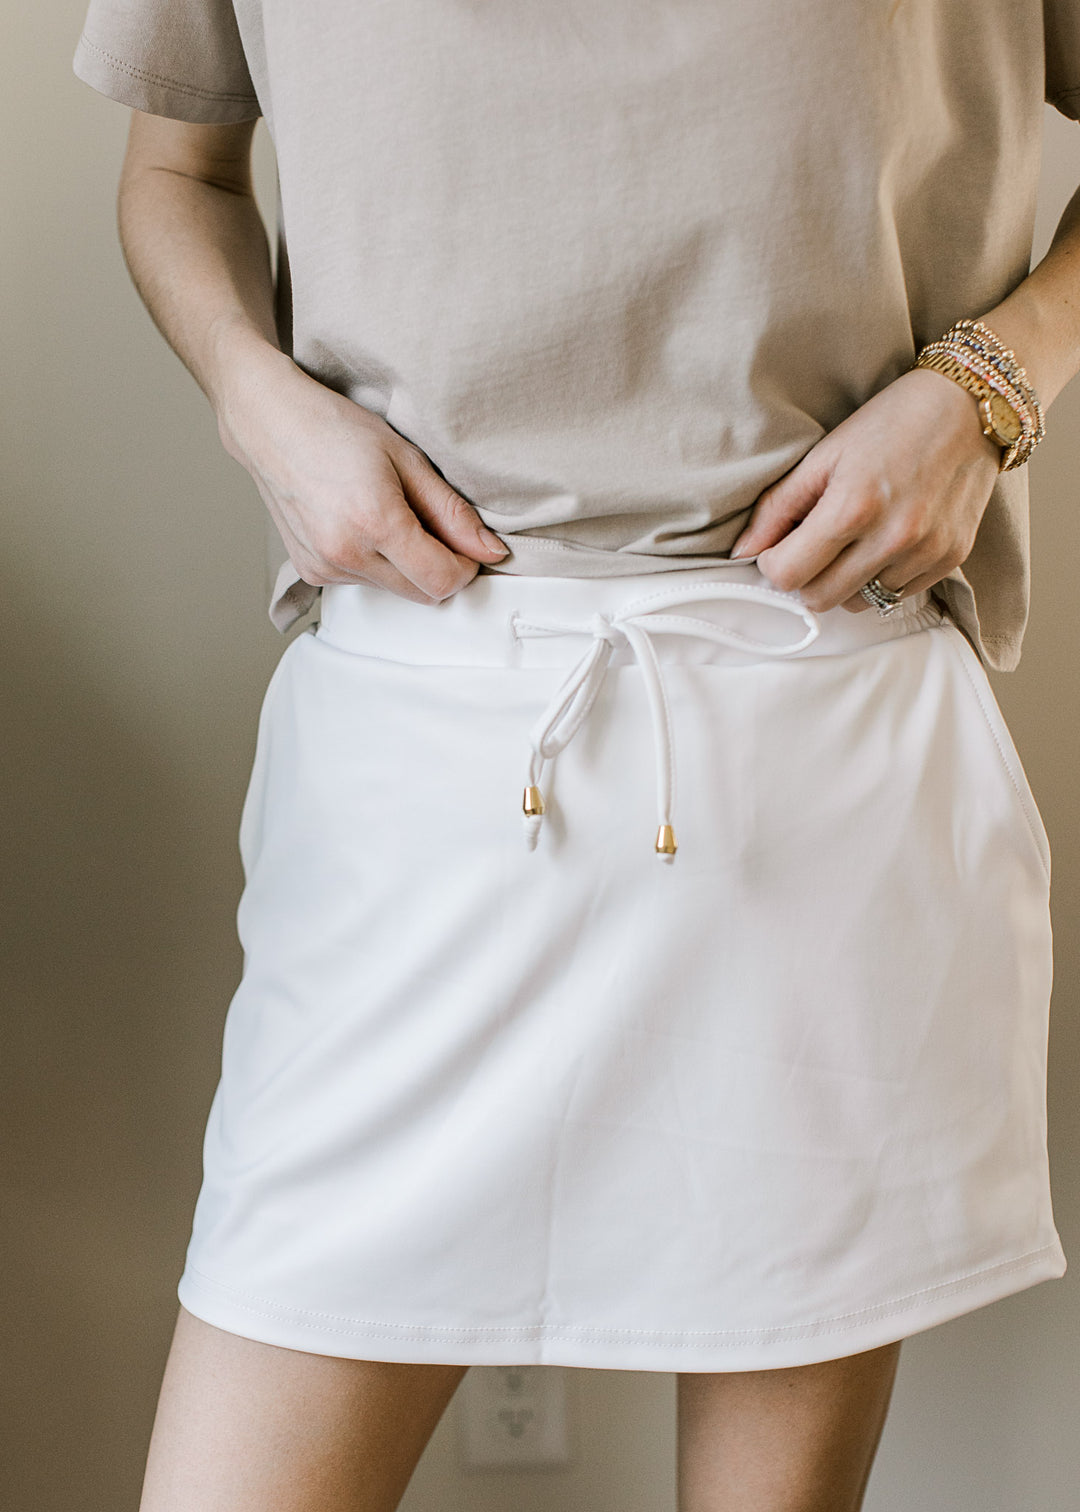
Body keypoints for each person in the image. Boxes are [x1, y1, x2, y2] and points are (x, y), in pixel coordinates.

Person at [72, 4, 1076, 1509]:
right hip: (416, 759)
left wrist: (996, 383)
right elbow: (180, 175)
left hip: (819, 745)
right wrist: (259, 406)